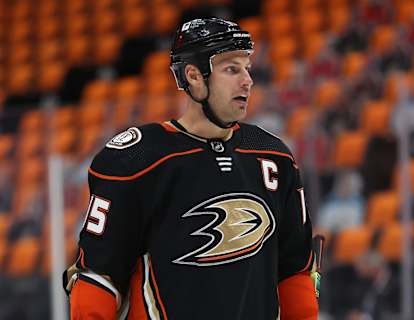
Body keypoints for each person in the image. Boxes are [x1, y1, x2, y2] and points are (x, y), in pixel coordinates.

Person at [63, 17, 319, 319]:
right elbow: (98, 277)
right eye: (231, 69)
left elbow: (295, 270)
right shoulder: (137, 159)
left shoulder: (273, 156)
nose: (247, 80)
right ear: (194, 76)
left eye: (247, 68)